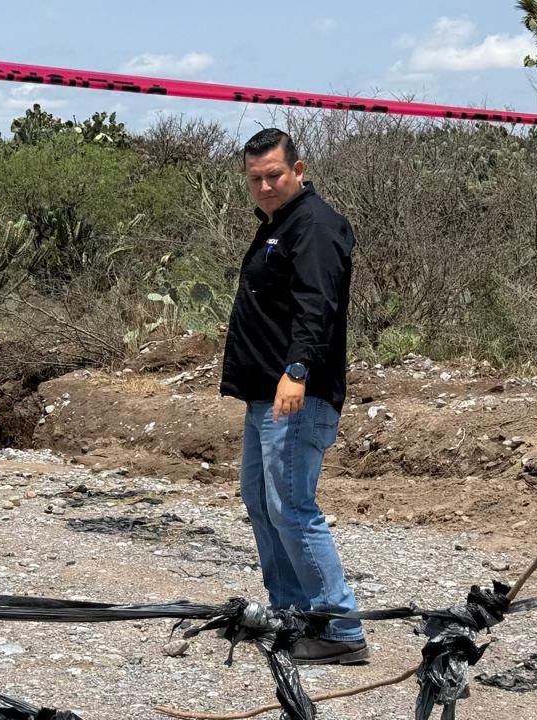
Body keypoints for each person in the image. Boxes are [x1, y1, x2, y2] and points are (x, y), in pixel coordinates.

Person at [219, 128, 368, 665]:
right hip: (265, 395)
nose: (264, 186)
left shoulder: (316, 226)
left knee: (292, 506)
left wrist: (297, 371)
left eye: (274, 175)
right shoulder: (277, 227)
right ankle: (290, 614)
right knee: (262, 501)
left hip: (296, 394)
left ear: (298, 170)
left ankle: (338, 627)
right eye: (255, 178)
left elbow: (317, 306)